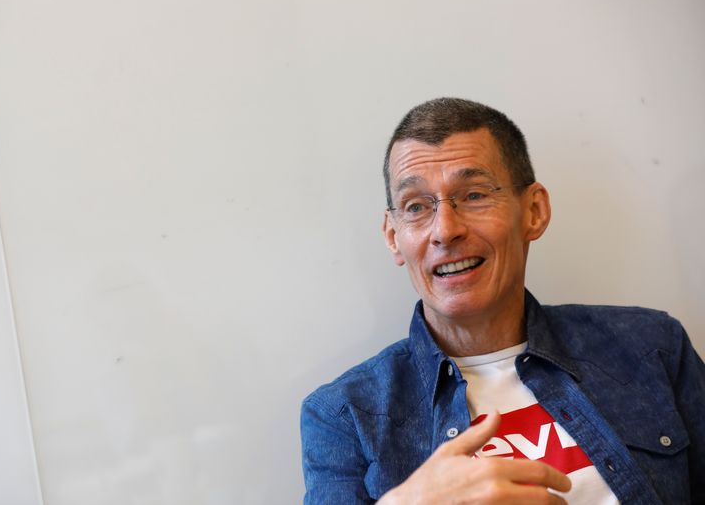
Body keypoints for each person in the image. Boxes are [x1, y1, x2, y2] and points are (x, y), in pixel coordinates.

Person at [300, 98, 705, 504]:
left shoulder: (653, 347)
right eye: (417, 206)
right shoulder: (343, 415)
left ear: (533, 211)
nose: (445, 231)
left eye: (473, 195)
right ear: (394, 237)